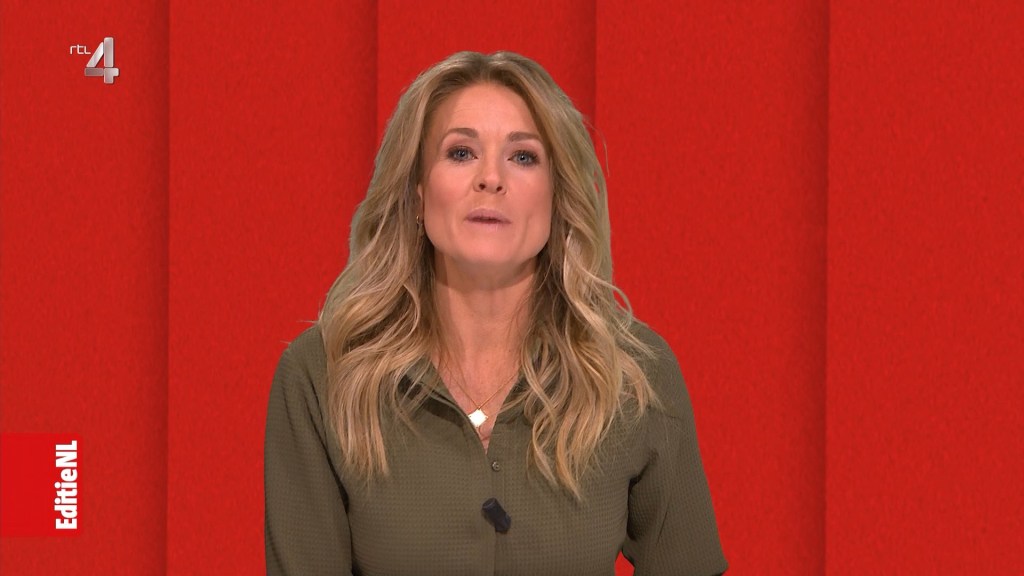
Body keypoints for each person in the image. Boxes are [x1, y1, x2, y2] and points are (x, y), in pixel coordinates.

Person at [264, 50, 727, 576]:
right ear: (417, 192)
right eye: (460, 153)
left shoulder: (634, 375)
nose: (491, 178)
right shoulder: (323, 375)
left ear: (557, 197)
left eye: (523, 157)